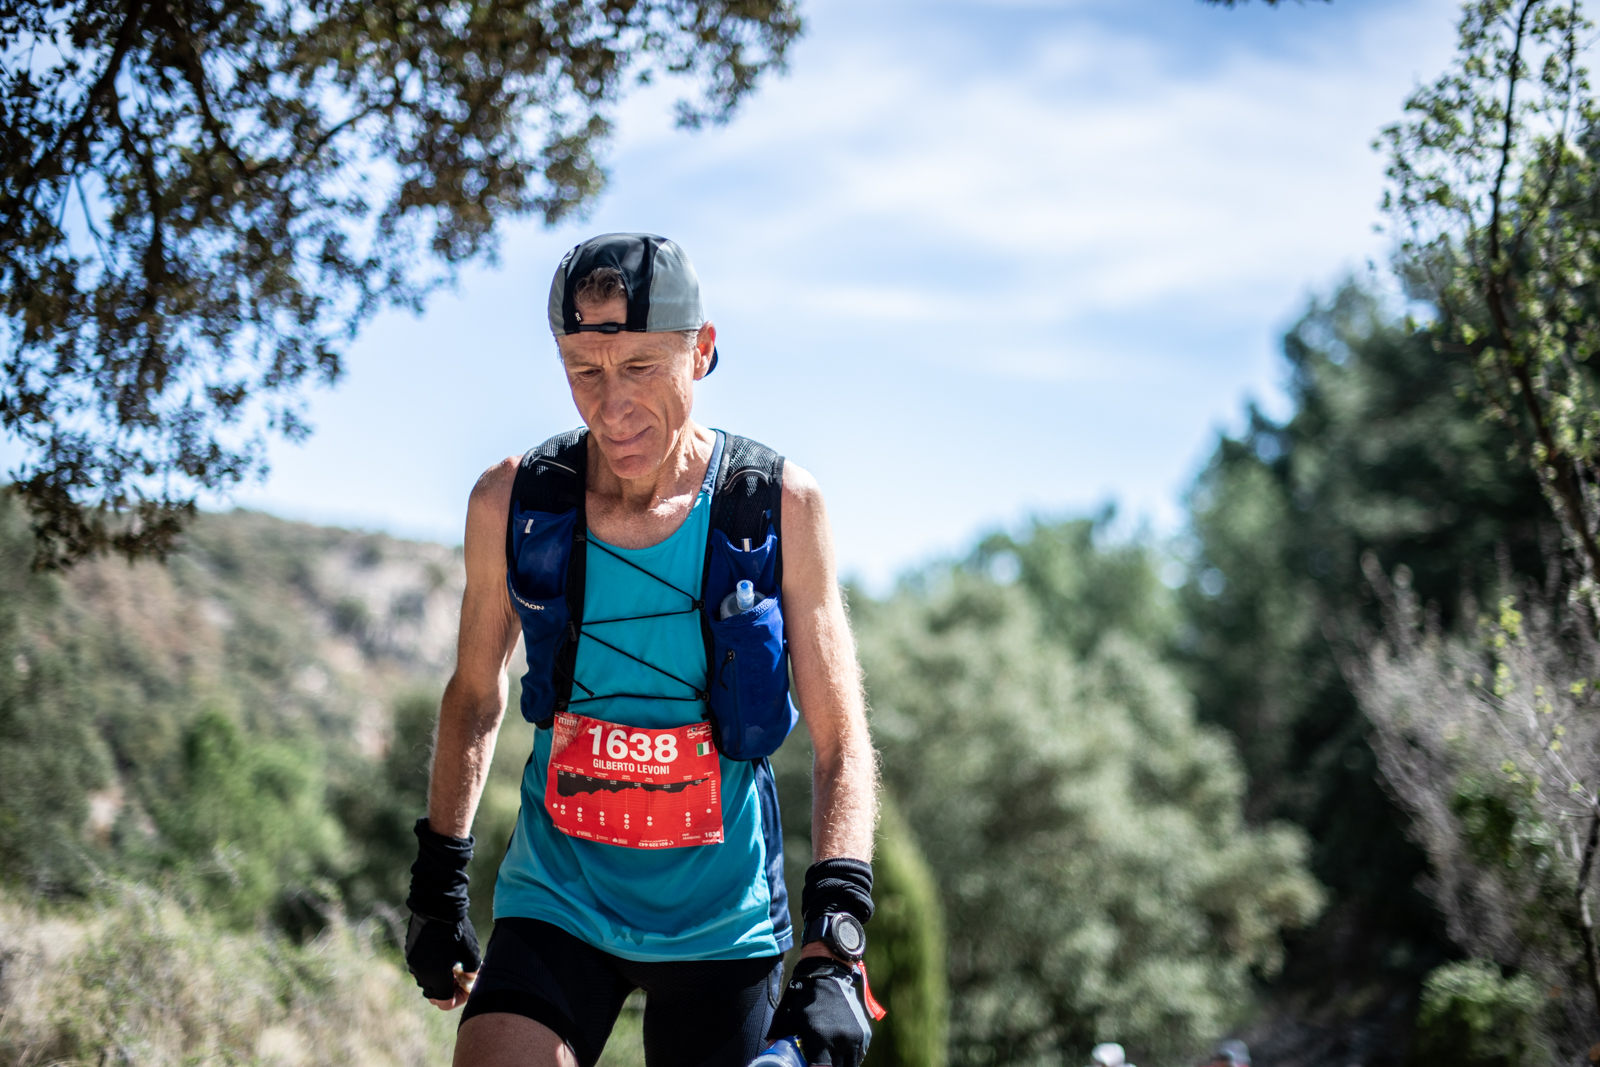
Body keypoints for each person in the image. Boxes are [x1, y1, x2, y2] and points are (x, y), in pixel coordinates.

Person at [402, 232, 881, 1067]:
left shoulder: (777, 507)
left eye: (640, 366)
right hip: (557, 900)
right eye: (583, 369)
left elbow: (842, 739)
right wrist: (439, 874)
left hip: (722, 921)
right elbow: (474, 696)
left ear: (703, 350)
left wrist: (837, 936)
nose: (612, 403)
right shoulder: (512, 502)